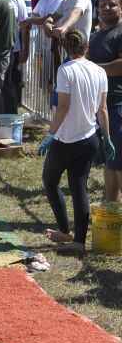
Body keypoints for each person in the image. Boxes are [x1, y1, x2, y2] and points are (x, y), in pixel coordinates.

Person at [39, 30, 112, 249]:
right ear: (86, 46)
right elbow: (103, 109)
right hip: (89, 138)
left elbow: (63, 106)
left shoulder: (65, 70)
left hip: (66, 139)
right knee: (79, 187)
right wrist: (107, 138)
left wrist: (51, 134)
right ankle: (79, 241)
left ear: (64, 48)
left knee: (50, 181)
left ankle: (64, 231)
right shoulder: (99, 71)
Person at [90, 0, 122, 203]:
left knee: (119, 164)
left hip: (118, 106)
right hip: (102, 108)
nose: (106, 8)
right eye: (102, 5)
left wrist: (93, 69)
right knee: (111, 163)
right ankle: (110, 209)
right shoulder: (97, 35)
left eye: (111, 4)